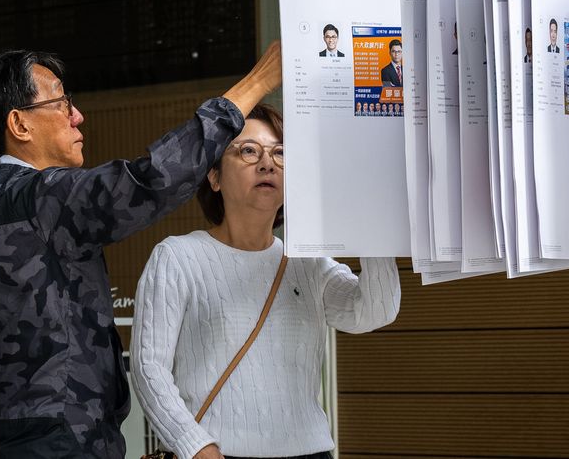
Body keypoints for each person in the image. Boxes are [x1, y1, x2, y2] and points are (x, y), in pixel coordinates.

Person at [0, 43, 282, 458]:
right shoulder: (39, 199)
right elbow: (153, 180)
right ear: (19, 124)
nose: (77, 115)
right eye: (62, 101)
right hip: (63, 443)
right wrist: (259, 81)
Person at [131, 104, 401, 459]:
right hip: (217, 454)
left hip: (309, 451)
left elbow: (374, 312)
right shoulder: (178, 258)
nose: (267, 163)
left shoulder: (308, 262)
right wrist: (194, 446)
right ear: (214, 177)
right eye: (248, 151)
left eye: (280, 153)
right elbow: (148, 366)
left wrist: (374, 221)